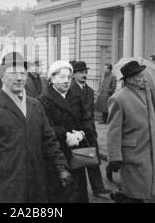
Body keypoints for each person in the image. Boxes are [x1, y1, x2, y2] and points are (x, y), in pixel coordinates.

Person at [0, 52, 72, 203]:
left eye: (23, 73)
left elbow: (49, 142)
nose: (19, 78)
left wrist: (61, 168)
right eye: (13, 72)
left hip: (36, 189)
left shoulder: (35, 106)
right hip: (5, 190)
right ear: (2, 75)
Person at [38, 60, 97, 202]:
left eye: (69, 77)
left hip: (78, 154)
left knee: (79, 191)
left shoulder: (76, 97)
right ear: (51, 79)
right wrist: (65, 135)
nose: (66, 81)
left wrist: (82, 133)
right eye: (61, 77)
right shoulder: (43, 100)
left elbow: (88, 120)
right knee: (61, 194)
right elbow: (44, 129)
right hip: (57, 156)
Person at [106, 61, 155, 203]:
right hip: (133, 155)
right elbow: (113, 132)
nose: (144, 78)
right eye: (140, 76)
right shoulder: (118, 98)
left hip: (151, 151)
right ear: (130, 80)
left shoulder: (147, 93)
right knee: (135, 194)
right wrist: (114, 157)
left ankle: (121, 196)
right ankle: (122, 196)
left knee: (150, 192)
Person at [68, 60, 111, 197]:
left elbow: (91, 114)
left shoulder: (90, 90)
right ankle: (78, 192)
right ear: (74, 74)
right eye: (80, 72)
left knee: (94, 161)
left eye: (85, 72)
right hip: (76, 133)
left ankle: (98, 188)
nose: (84, 75)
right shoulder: (69, 89)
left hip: (90, 132)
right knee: (78, 163)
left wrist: (93, 130)